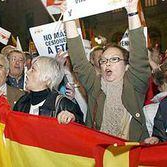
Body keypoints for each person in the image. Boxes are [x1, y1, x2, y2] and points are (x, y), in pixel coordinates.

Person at [64, 0, 150, 141]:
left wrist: (132, 12)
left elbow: (140, 56)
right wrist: (68, 16)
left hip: (131, 153)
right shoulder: (95, 84)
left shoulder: (135, 85)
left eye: (114, 59)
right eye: (103, 61)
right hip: (100, 152)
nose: (107, 64)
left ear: (127, 66)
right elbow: (78, 60)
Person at [13, 56, 84, 124]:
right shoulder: (22, 102)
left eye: (33, 69)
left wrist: (73, 119)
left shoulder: (64, 105)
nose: (27, 72)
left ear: (47, 78)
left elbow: (82, 131)